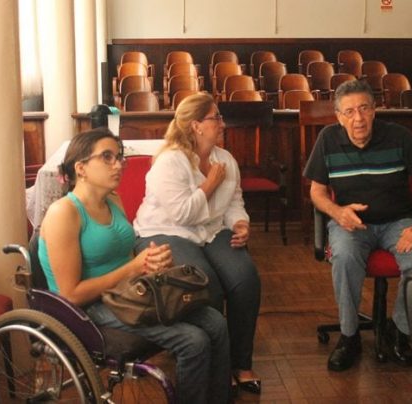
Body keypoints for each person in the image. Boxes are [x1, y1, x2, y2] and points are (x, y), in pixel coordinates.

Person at [38, 128, 231, 404]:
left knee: (215, 321)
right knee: (193, 340)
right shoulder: (64, 213)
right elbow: (71, 294)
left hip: (128, 293)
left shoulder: (113, 200)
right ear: (80, 167)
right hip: (88, 309)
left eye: (119, 157)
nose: (118, 165)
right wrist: (134, 269)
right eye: (107, 157)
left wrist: (152, 263)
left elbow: (124, 257)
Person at [303, 80, 412, 372]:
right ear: (338, 116)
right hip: (352, 224)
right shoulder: (327, 139)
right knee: (344, 257)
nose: (357, 118)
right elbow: (316, 193)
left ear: (375, 110)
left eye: (364, 109)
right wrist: (337, 211)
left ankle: (399, 331)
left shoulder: (398, 136)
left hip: (398, 221)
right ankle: (349, 337)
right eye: (349, 112)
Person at [133, 93, 262, 394]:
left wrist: (241, 224)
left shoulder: (224, 159)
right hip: (167, 230)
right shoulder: (171, 161)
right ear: (196, 126)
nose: (222, 123)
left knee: (246, 279)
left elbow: (235, 203)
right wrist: (210, 183)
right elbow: (181, 213)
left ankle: (240, 363)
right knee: (206, 285)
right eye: (215, 117)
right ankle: (215, 371)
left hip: (210, 230)